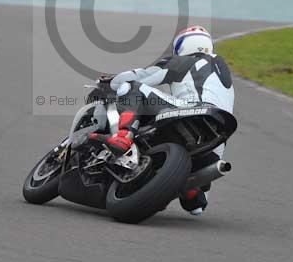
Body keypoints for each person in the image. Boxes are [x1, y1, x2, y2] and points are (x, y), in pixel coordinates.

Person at [90, 25, 234, 216]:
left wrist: (109, 81)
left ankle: (124, 135)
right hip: (216, 139)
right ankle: (191, 189)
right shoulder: (224, 75)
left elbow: (142, 77)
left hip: (192, 110)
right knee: (197, 206)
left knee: (131, 87)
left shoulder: (184, 61)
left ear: (182, 46)